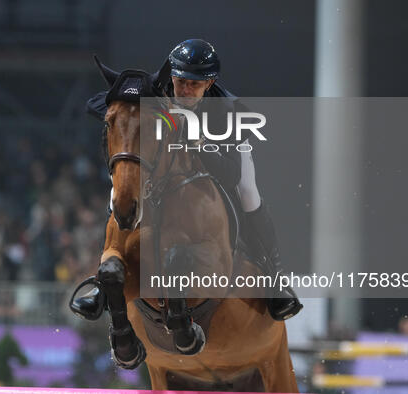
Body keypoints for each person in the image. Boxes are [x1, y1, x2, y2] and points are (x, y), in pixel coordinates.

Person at [71, 39, 302, 321]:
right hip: (165, 164)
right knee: (118, 191)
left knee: (248, 192)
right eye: (181, 81)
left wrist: (197, 142)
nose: (185, 90)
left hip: (223, 156)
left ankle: (276, 279)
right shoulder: (159, 91)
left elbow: (229, 173)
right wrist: (125, 107)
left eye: (195, 84)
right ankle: (102, 283)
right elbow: (95, 104)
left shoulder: (228, 110)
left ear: (210, 82)